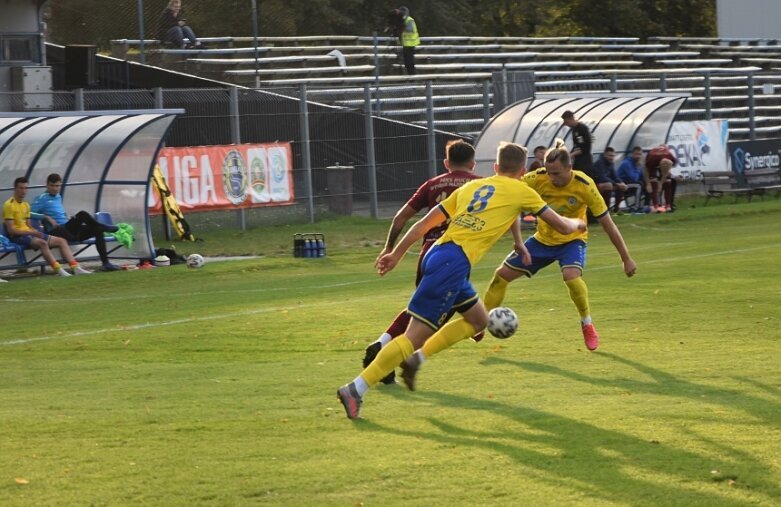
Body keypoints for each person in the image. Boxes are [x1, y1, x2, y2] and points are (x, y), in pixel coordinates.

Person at [337, 142, 587, 419]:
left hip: (438, 253)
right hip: (453, 264)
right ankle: (355, 388)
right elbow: (563, 226)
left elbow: (423, 224)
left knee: (479, 321)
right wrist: (578, 223)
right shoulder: (522, 190)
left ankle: (415, 360)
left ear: (495, 167)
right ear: (522, 170)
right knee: (413, 336)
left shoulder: (470, 188)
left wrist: (397, 254)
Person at [482, 140, 637, 353]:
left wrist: (625, 258)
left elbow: (608, 224)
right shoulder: (536, 179)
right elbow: (510, 197)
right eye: (548, 172)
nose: (551, 178)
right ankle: (480, 322)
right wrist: (516, 240)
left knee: (572, 277)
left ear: (569, 168)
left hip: (572, 240)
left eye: (556, 173)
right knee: (501, 275)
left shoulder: (585, 185)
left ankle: (587, 323)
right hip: (542, 240)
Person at [362, 140, 483, 384]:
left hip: (429, 253)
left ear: (446, 163)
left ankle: (383, 343)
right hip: (455, 254)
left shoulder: (432, 184)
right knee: (430, 318)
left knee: (423, 309)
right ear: (473, 163)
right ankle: (388, 353)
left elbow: (401, 217)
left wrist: (389, 248)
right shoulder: (480, 185)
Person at [31, 173, 120, 272]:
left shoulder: (58, 197)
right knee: (82, 214)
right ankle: (104, 227)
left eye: (57, 186)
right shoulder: (41, 198)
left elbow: (58, 213)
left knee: (98, 230)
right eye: (52, 186)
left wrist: (67, 217)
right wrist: (45, 217)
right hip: (57, 231)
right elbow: (28, 213)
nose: (55, 188)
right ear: (47, 185)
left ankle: (106, 263)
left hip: (68, 229)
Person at [2, 177, 90, 277]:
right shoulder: (9, 205)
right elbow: (11, 230)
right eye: (21, 188)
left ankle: (75, 267)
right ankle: (59, 270)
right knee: (43, 243)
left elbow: (28, 225)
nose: (23, 191)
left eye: (25, 188)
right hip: (18, 237)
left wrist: (33, 230)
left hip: (29, 234)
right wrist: (31, 232)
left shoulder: (25, 205)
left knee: (61, 241)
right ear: (15, 188)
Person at [592, 147, 630, 213]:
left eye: (613, 156)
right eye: (609, 155)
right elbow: (602, 178)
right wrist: (616, 184)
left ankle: (616, 209)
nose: (611, 158)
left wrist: (621, 183)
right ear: (604, 155)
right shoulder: (599, 163)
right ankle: (606, 209)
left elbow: (615, 176)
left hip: (606, 184)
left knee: (621, 186)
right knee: (608, 185)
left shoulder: (611, 163)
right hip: (596, 185)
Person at [644, 145, 679, 212]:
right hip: (653, 161)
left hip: (663, 160)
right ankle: (656, 205)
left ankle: (668, 205)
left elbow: (666, 172)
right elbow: (646, 170)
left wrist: (661, 183)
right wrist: (648, 183)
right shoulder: (652, 159)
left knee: (668, 181)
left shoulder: (671, 158)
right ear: (659, 165)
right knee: (653, 182)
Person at [617, 146, 645, 210]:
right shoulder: (626, 163)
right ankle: (636, 207)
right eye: (636, 154)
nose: (638, 156)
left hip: (630, 183)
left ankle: (646, 206)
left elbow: (641, 176)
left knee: (647, 184)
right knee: (639, 185)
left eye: (640, 154)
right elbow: (634, 178)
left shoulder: (637, 163)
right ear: (632, 154)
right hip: (622, 184)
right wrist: (638, 167)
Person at [398, 6, 420, 75]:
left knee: (410, 60)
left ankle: (412, 75)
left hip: (411, 44)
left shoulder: (409, 20)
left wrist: (402, 28)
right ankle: (409, 74)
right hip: (406, 44)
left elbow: (410, 29)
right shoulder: (403, 20)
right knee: (406, 61)